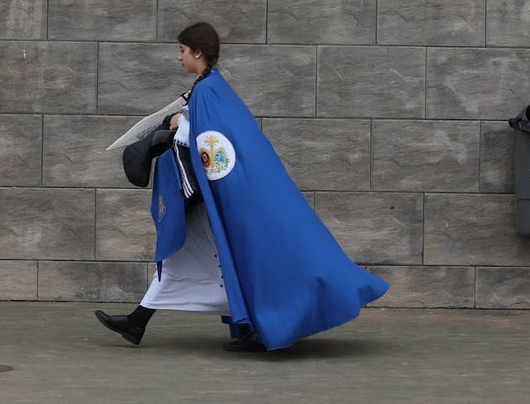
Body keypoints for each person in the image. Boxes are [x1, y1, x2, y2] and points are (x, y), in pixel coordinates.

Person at [96, 21, 389, 352]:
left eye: (181, 51)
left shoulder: (207, 91)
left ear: (198, 52)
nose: (178, 58)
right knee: (199, 259)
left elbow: (212, 144)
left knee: (208, 258)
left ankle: (151, 322)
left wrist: (181, 126)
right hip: (217, 197)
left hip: (221, 198)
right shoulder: (212, 87)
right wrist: (185, 123)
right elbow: (220, 138)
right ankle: (145, 321)